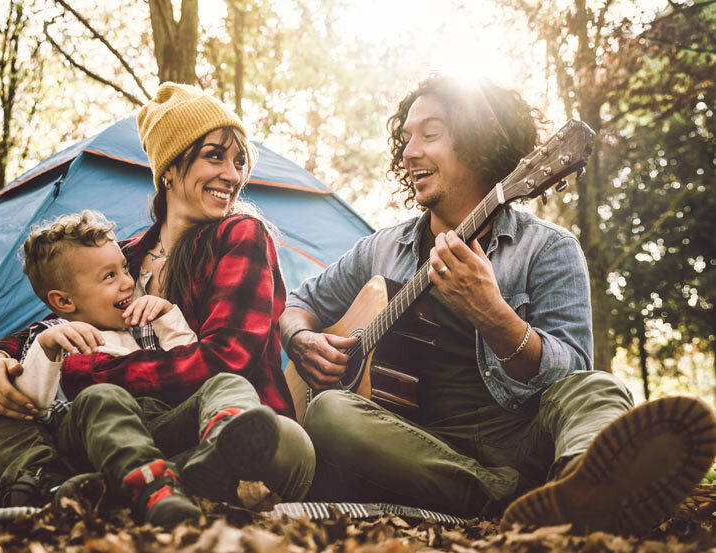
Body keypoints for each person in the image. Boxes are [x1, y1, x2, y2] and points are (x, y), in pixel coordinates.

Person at [279, 74, 716, 534]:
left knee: (599, 389)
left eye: (430, 134)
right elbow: (296, 302)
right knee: (329, 412)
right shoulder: (381, 249)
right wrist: (301, 336)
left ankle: (579, 478)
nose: (409, 152)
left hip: (522, 440)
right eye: (406, 138)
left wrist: (495, 316)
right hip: (416, 448)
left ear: (480, 145)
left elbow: (570, 373)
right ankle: (537, 501)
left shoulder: (547, 248)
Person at [0, 83, 315, 525]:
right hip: (117, 426)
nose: (233, 175)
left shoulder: (238, 235)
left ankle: (107, 482)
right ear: (169, 168)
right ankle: (66, 478)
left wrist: (88, 373)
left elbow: (228, 360)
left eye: (240, 161)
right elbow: (59, 321)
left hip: (213, 427)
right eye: (215, 156)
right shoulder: (122, 258)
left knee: (286, 443)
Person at [14, 210, 198, 412]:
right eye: (109, 276)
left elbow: (191, 368)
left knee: (223, 384)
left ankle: (223, 427)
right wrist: (45, 349)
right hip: (93, 430)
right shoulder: (52, 338)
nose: (128, 282)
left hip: (158, 422)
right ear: (64, 301)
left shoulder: (142, 327)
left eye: (125, 268)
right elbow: (26, 403)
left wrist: (166, 316)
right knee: (101, 398)